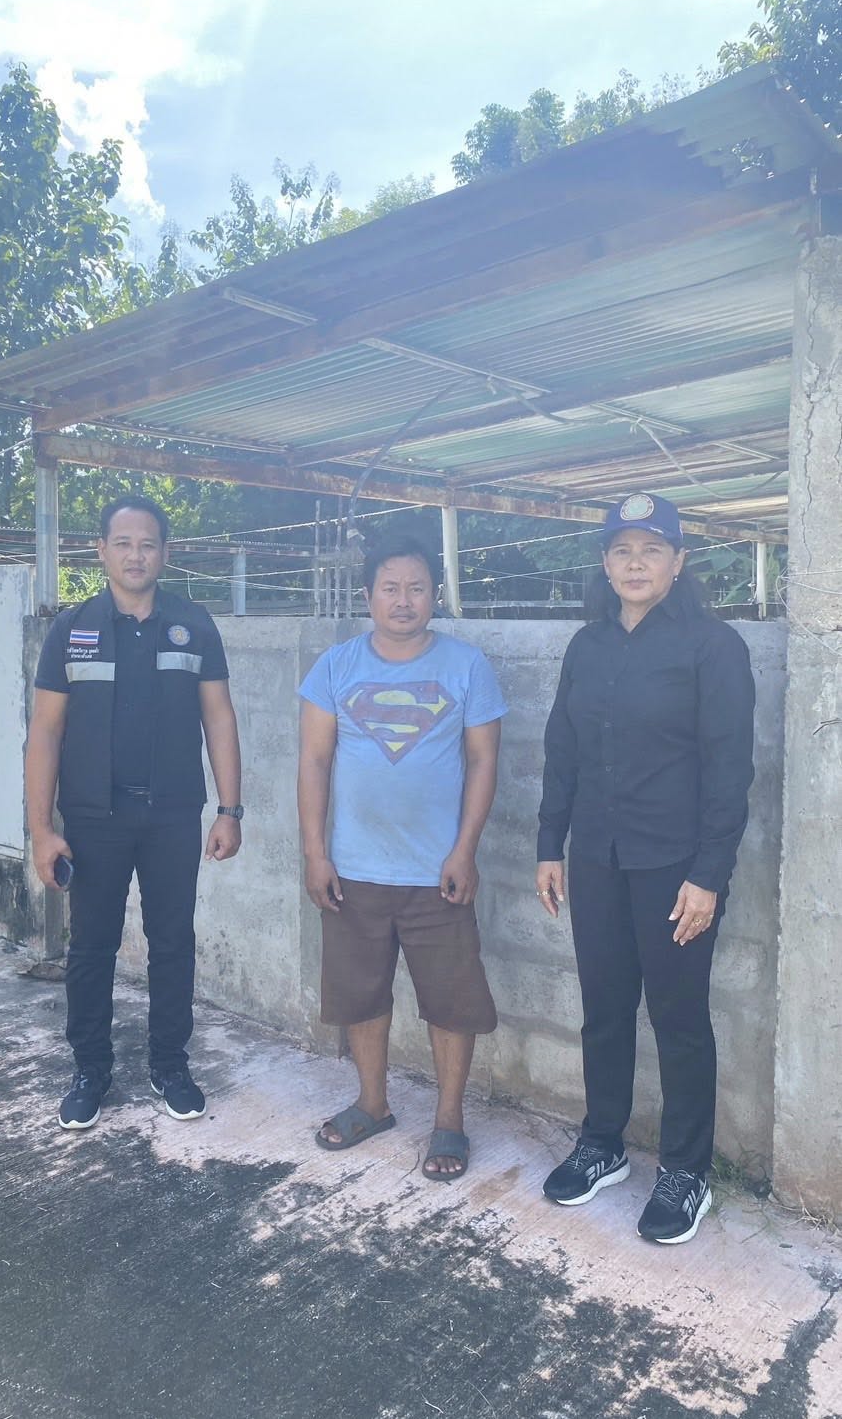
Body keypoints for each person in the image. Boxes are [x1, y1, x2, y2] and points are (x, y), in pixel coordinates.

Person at [536, 492, 755, 1244]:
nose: (636, 563)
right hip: (597, 857)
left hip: (675, 869)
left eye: (652, 549)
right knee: (603, 1007)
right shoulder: (587, 646)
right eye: (623, 550)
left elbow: (729, 771)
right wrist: (550, 844)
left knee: (678, 1017)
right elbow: (562, 752)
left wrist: (710, 874)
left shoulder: (712, 647)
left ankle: (687, 1170)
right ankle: (603, 1142)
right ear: (605, 563)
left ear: (678, 561)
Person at [26, 494, 243, 1130]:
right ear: (101, 550)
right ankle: (90, 1069)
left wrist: (229, 809)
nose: (135, 555)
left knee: (172, 942)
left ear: (165, 553)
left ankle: (170, 1066)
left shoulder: (194, 625)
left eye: (147, 544)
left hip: (173, 815)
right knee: (91, 947)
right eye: (123, 543)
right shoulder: (72, 630)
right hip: (94, 818)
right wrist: (41, 830)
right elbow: (45, 732)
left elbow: (219, 717)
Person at [298, 532, 506, 1181]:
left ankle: (449, 1119)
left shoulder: (467, 666)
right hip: (353, 869)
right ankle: (373, 1104)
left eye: (417, 587)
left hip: (438, 872)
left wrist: (465, 850)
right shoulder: (335, 667)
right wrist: (315, 853)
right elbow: (314, 761)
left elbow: (483, 761)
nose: (404, 600)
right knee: (361, 994)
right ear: (368, 596)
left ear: (434, 594)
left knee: (451, 1000)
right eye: (390, 588)